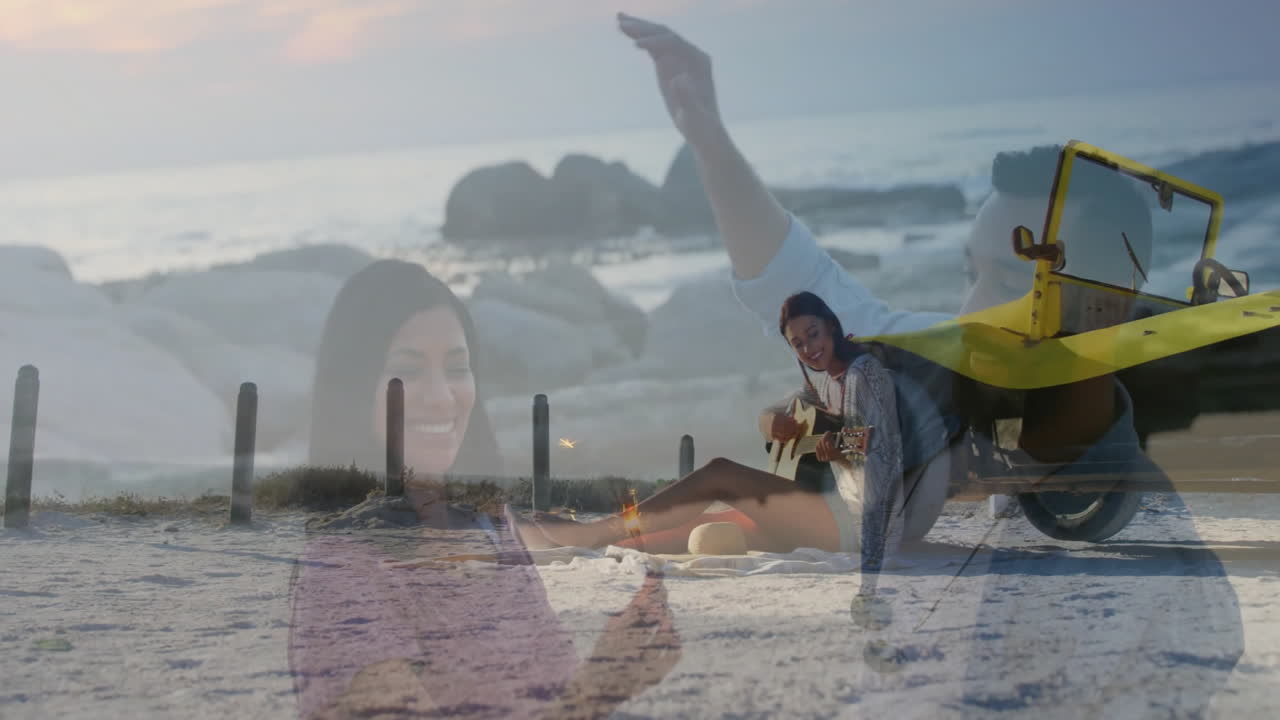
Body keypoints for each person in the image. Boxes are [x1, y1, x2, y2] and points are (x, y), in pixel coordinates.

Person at [617, 10, 1242, 714]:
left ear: (1105, 311)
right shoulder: (945, 357)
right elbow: (793, 277)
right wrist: (707, 136)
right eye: (972, 273)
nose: (973, 307)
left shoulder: (1168, 561)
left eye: (1007, 285)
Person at [290, 259, 680, 719]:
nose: (441, 396)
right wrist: (599, 688)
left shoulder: (492, 526)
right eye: (408, 371)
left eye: (457, 368)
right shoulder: (343, 570)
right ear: (355, 388)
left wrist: (610, 676)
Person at [517, 290, 907, 590]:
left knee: (721, 473)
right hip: (833, 512)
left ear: (832, 326)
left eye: (813, 334)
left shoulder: (864, 374)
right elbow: (770, 415)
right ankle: (579, 543)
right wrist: (771, 423)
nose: (809, 348)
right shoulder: (822, 382)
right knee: (709, 526)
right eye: (798, 344)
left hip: (863, 524)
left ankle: (598, 530)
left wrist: (842, 453)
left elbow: (884, 453)